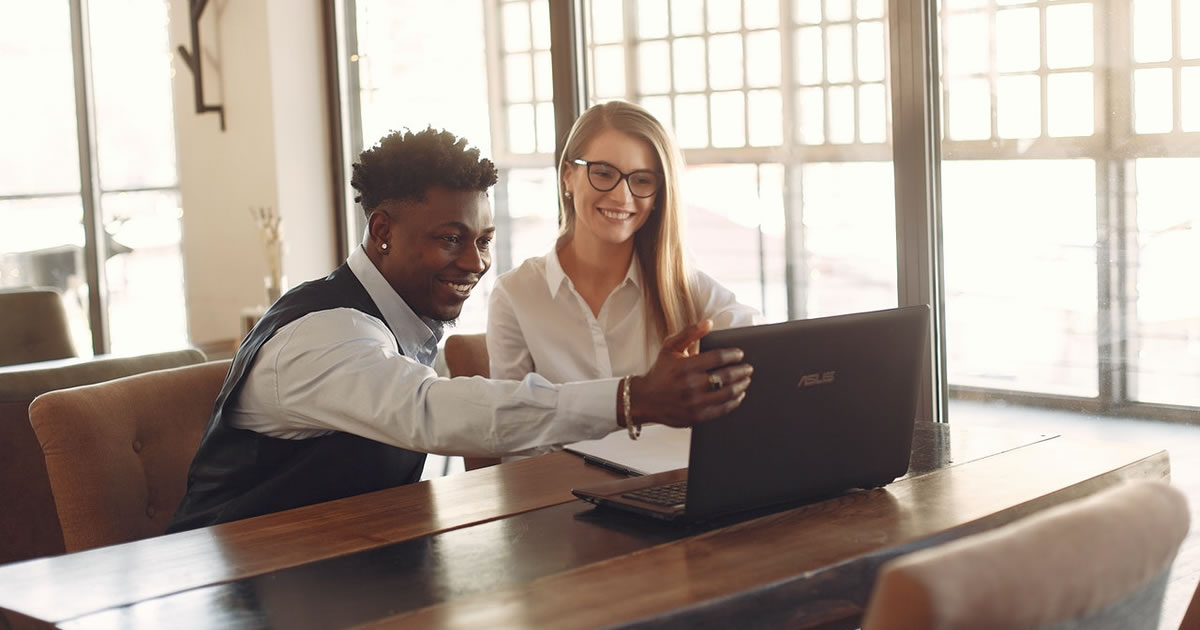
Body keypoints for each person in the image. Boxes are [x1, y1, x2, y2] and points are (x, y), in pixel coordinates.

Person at [168, 127, 752, 532]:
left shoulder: (397, 325)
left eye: (483, 241)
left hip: (340, 569)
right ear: (382, 230)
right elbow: (434, 411)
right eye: (450, 238)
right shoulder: (324, 334)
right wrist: (634, 396)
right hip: (226, 587)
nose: (474, 262)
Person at [487, 100, 761, 389]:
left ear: (658, 196)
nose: (621, 196)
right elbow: (511, 423)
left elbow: (769, 350)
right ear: (568, 176)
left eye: (642, 180)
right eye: (603, 173)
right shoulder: (515, 295)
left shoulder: (687, 291)